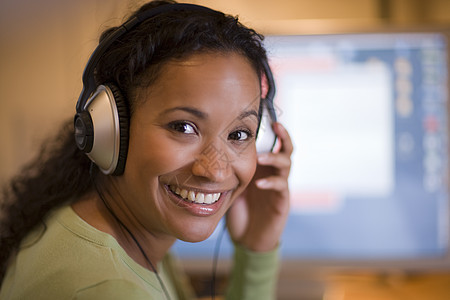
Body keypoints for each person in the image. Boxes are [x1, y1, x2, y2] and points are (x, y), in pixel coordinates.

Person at [0, 1, 293, 299]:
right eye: (183, 127)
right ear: (109, 130)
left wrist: (257, 247)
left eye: (239, 134)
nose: (215, 170)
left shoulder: (135, 233)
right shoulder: (110, 290)